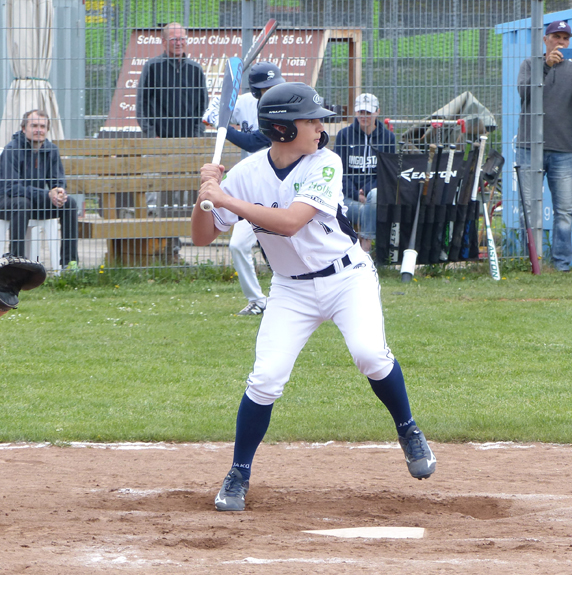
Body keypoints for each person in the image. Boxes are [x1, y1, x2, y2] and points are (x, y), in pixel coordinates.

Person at [192, 82, 436, 512]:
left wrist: (226, 197)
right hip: (291, 289)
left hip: (346, 279)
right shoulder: (247, 173)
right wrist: (205, 196)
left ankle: (408, 428)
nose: (321, 126)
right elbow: (201, 235)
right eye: (311, 120)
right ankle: (239, 472)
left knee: (369, 355)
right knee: (266, 378)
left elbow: (289, 223)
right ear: (283, 130)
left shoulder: (326, 162)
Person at [202, 62, 287, 316]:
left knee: (284, 246)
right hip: (251, 186)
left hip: (281, 184)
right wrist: (214, 114)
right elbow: (220, 107)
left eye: (275, 85)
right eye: (267, 88)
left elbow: (252, 143)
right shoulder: (246, 101)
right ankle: (258, 300)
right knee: (238, 245)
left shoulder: (282, 107)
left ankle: (294, 297)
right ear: (256, 91)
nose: (273, 91)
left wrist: (222, 127)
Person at [516, 20, 572, 272]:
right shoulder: (530, 64)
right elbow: (525, 94)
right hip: (530, 147)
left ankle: (561, 265)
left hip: (563, 149)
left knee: (564, 210)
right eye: (556, 37)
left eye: (566, 38)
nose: (561, 42)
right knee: (528, 208)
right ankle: (529, 261)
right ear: (545, 40)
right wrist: (546, 67)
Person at [0, 110, 78, 269]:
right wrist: (46, 194)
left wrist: (59, 192)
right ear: (24, 128)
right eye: (34, 125)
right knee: (22, 203)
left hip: (35, 202)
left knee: (70, 203)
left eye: (42, 126)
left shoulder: (51, 150)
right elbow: (12, 188)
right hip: (6, 202)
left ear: (47, 129)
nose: (38, 130)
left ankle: (69, 264)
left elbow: (57, 180)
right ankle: (16, 263)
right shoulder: (11, 150)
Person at [333, 93, 396, 252]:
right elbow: (340, 172)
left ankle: (365, 247)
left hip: (375, 197)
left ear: (377, 112)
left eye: (368, 112)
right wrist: (356, 194)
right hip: (349, 198)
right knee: (365, 210)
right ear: (355, 112)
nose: (364, 116)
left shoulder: (388, 138)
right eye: (361, 112)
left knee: (373, 198)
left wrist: (366, 192)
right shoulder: (344, 136)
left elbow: (387, 173)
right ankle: (365, 252)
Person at [136, 22, 208, 139]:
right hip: (159, 141)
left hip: (190, 140)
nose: (179, 43)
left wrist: (197, 134)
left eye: (182, 39)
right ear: (164, 41)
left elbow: (203, 105)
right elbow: (142, 104)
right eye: (174, 39)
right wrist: (151, 134)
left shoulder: (195, 69)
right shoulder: (152, 67)